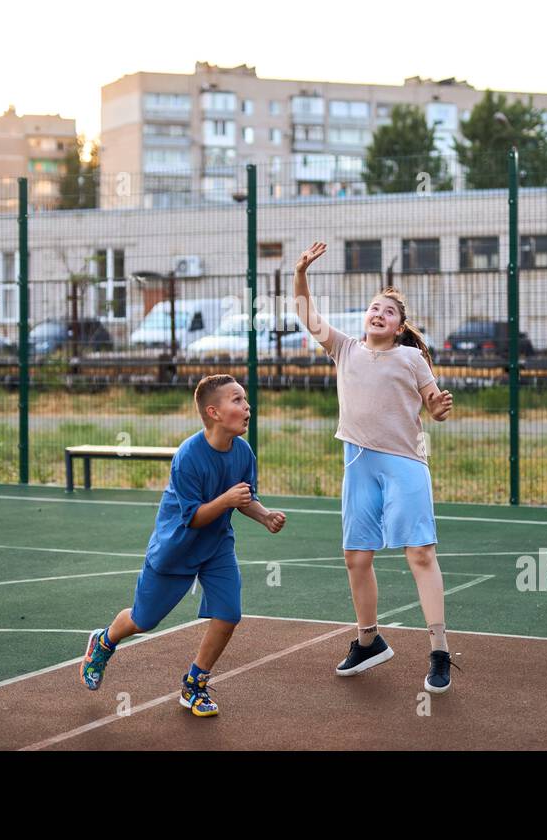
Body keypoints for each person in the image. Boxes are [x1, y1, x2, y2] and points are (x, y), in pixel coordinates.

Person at [292, 241, 458, 693]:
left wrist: (441, 406)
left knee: (420, 554)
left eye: (387, 310)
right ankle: (369, 641)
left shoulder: (410, 358)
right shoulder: (344, 349)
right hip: (359, 463)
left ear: (399, 325)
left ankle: (439, 651)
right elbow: (306, 315)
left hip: (404, 464)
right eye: (373, 307)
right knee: (356, 557)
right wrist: (301, 271)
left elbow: (434, 407)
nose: (378, 313)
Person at [80, 374, 286, 716]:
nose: (247, 406)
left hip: (217, 545)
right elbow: (193, 517)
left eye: (245, 400)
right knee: (143, 620)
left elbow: (244, 498)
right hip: (176, 548)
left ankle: (194, 684)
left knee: (229, 614)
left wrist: (264, 516)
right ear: (214, 412)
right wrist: (227, 500)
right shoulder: (189, 456)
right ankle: (104, 641)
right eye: (237, 400)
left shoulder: (243, 451)